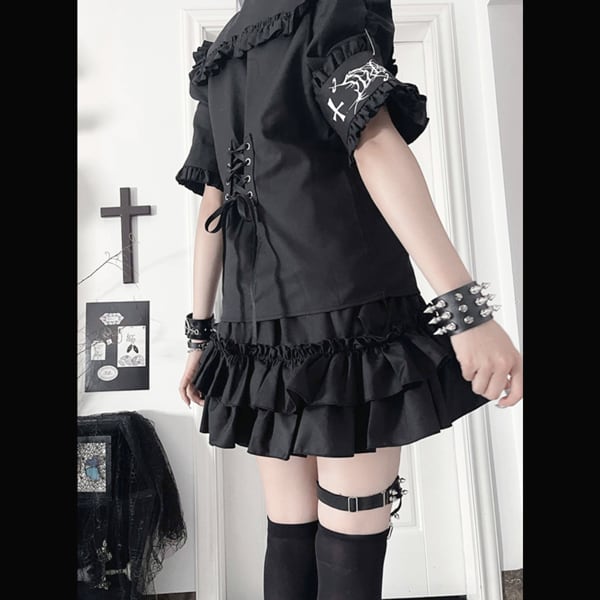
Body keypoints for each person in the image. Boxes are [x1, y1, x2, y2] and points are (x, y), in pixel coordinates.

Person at [176, 1, 523, 599]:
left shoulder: (222, 50)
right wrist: (465, 310)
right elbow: (373, 140)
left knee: (289, 529)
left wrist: (200, 334)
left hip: (255, 328)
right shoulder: (330, 10)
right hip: (349, 310)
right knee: (350, 531)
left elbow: (213, 199)